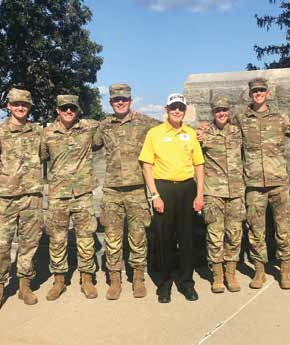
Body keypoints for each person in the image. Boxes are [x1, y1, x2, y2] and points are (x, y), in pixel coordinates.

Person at [0, 88, 43, 314]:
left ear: (30, 106)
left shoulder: (38, 132)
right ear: (8, 106)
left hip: (32, 198)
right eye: (16, 104)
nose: (20, 107)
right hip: (5, 200)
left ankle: (24, 286)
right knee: (1, 246)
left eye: (24, 104)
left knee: (29, 245)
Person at [93, 84, 159, 300]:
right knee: (112, 238)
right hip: (112, 191)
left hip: (137, 190)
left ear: (130, 100)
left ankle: (138, 278)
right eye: (115, 100)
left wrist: (200, 131)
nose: (120, 102)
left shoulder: (144, 122)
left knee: (138, 237)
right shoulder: (104, 126)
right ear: (110, 103)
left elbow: (168, 128)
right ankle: (115, 280)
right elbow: (87, 142)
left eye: (124, 99)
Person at [139, 93, 205, 303]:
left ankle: (186, 283)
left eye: (181, 108)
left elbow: (199, 165)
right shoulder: (154, 133)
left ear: (185, 111)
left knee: (187, 239)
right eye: (173, 107)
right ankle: (165, 284)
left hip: (187, 189)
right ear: (166, 110)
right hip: (164, 189)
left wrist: (200, 193)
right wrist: (155, 195)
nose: (177, 111)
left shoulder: (190, 133)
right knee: (164, 239)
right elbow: (146, 166)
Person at [233, 78, 290, 290]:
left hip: (278, 183)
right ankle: (259, 270)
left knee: (283, 229)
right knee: (255, 230)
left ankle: (285, 271)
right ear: (250, 94)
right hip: (254, 185)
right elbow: (223, 130)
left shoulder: (281, 118)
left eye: (261, 90)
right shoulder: (240, 119)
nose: (258, 94)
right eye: (255, 91)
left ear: (267, 93)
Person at [41, 95, 99, 300]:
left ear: (78, 109)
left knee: (86, 238)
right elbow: (38, 159)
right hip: (58, 195)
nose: (68, 111)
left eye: (72, 108)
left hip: (82, 193)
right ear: (57, 110)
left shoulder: (89, 127)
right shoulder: (46, 133)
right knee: (57, 239)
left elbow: (112, 128)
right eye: (64, 108)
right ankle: (59, 280)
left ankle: (87, 278)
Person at [199, 96, 245, 293]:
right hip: (213, 193)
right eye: (218, 110)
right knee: (215, 235)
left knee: (234, 235)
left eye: (224, 110)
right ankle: (217, 276)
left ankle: (231, 273)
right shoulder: (203, 133)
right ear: (212, 112)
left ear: (229, 111)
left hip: (235, 192)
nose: (221, 113)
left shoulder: (237, 131)